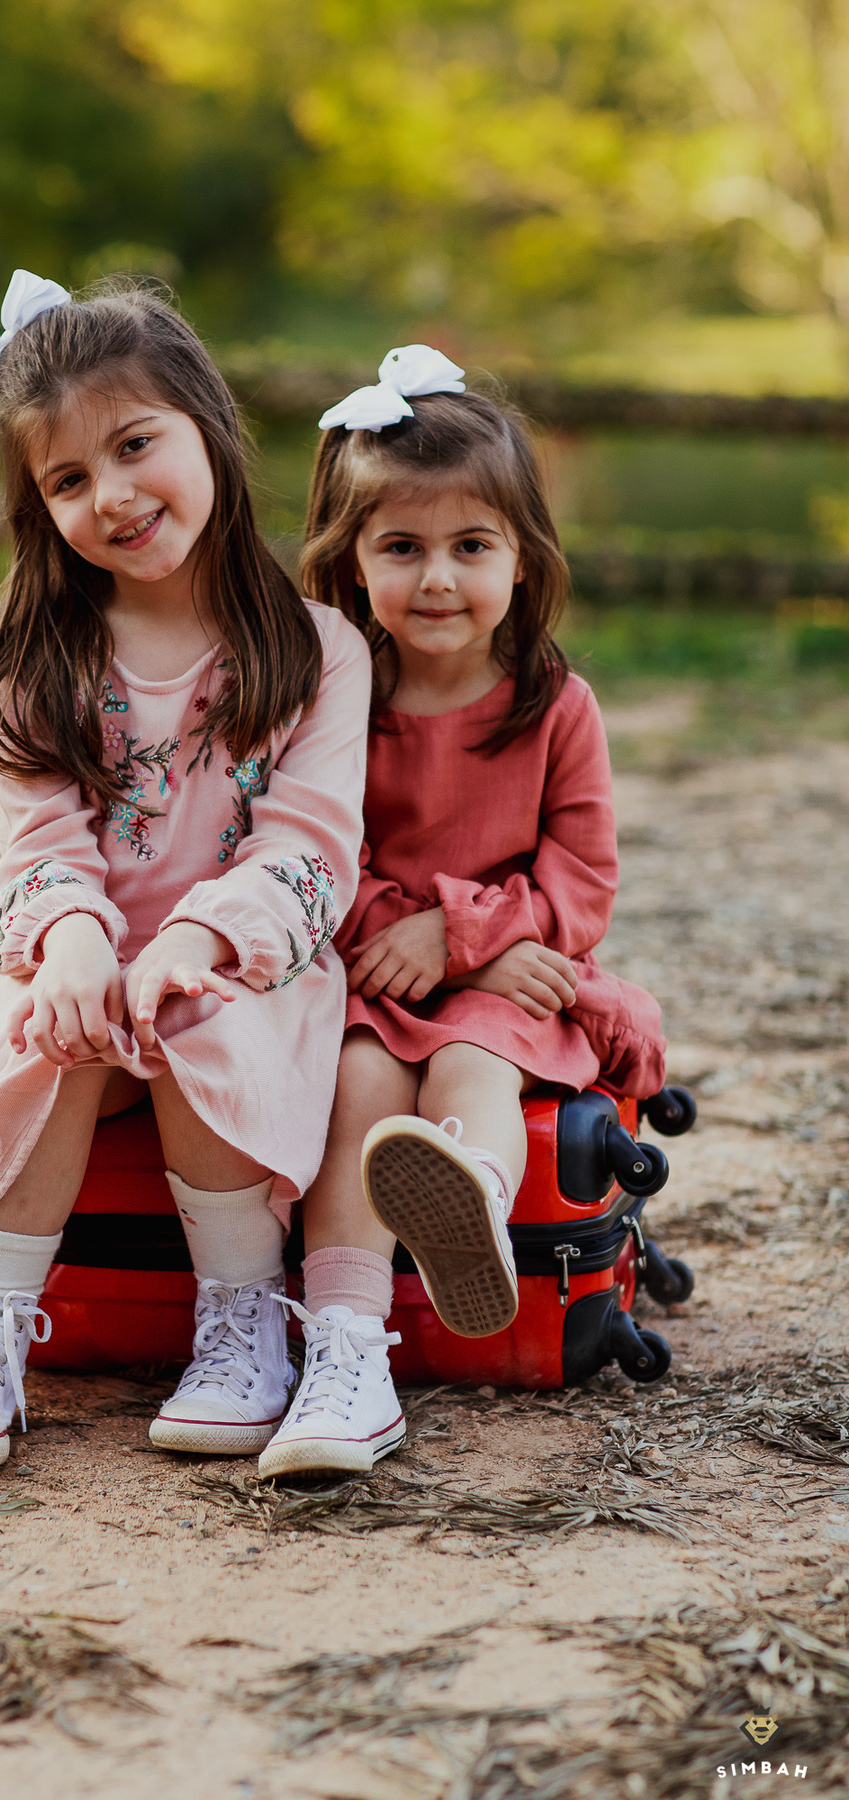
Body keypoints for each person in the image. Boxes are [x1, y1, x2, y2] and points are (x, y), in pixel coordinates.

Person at [0, 272, 371, 1469]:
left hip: (244, 965)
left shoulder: (318, 651)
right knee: (42, 1015)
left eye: (134, 445)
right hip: (77, 954)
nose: (111, 495)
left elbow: (309, 847)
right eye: (66, 478)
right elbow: (39, 846)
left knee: (198, 1006)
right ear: (36, 506)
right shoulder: (32, 660)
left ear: (207, 422)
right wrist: (75, 942)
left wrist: (196, 941)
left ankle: (244, 1317)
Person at [258, 348, 666, 1479]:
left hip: (510, 984)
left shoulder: (556, 706)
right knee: (360, 1091)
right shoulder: (338, 699)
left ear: (525, 563)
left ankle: (473, 1204)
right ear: (351, 566)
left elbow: (581, 878)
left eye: (470, 547)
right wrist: (409, 937)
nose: (439, 578)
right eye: (403, 548)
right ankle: (345, 1359)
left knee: (473, 1071)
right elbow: (316, 853)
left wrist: (468, 943)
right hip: (376, 979)